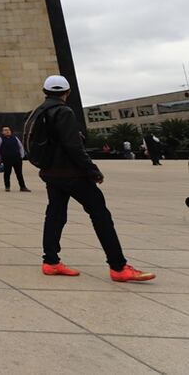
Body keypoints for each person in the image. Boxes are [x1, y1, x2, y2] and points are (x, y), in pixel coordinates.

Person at [33, 75, 155, 283]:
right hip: (72, 174)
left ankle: (51, 262)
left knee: (55, 214)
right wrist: (92, 170)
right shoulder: (64, 111)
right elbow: (74, 146)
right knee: (100, 214)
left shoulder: (38, 112)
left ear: (45, 92)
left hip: (51, 173)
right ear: (68, 92)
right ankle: (118, 266)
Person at [0, 126, 30, 192]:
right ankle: (7, 187)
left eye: (8, 130)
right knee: (7, 173)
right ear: (2, 132)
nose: (7, 131)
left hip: (17, 159)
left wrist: (21, 156)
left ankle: (23, 187)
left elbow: (20, 147)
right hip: (6, 159)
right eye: (5, 130)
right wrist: (0, 158)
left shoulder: (15, 138)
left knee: (19, 173)